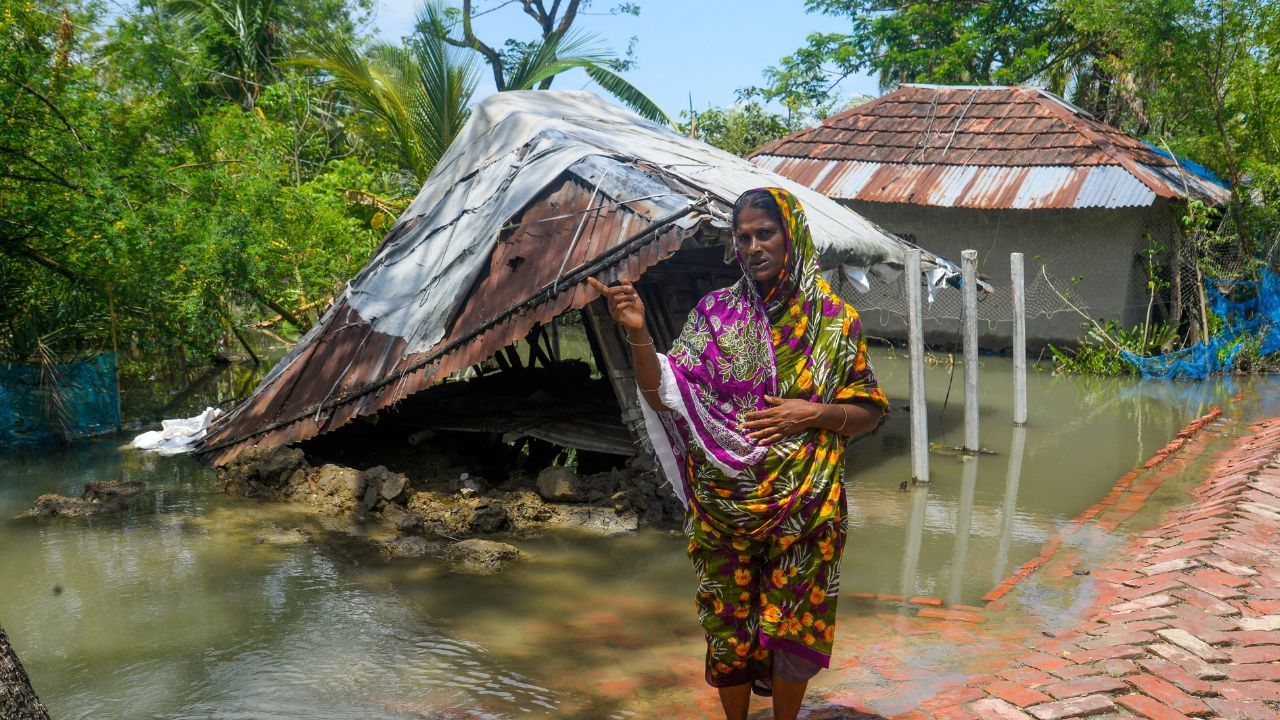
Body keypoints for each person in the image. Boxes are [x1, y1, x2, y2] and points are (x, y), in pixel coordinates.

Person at [588, 187, 889, 720]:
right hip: (723, 508)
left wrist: (810, 413)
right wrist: (636, 336)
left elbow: (868, 411)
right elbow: (664, 394)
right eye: (743, 237)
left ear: (792, 235)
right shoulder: (715, 314)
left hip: (807, 508)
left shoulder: (837, 321)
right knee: (729, 630)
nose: (752, 247)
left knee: (794, 628)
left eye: (764, 234)